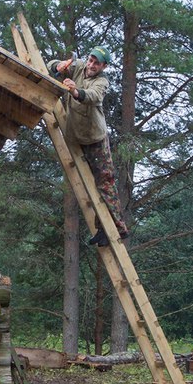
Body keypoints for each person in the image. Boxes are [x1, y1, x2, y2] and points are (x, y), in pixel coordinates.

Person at [46, 46, 129, 247]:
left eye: (96, 63)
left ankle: (117, 227)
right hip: (75, 136)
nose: (91, 65)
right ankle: (103, 229)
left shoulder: (102, 81)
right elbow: (50, 65)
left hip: (95, 140)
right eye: (91, 60)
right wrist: (59, 65)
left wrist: (75, 91)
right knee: (85, 183)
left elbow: (93, 96)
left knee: (105, 183)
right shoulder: (79, 66)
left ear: (104, 66)